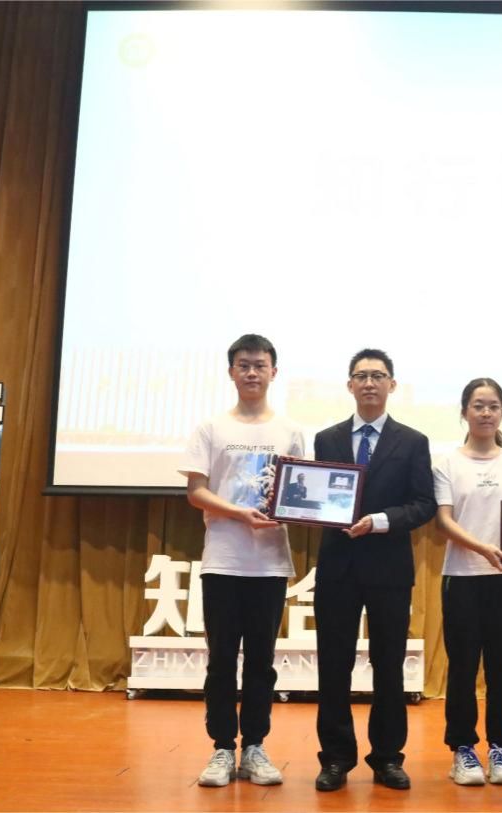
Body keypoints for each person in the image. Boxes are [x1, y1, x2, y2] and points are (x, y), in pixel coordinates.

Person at [179, 334, 305, 788]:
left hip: (269, 563)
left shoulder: (289, 431)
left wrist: (292, 510)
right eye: (244, 365)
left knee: (261, 661)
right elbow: (196, 491)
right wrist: (238, 513)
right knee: (221, 660)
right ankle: (221, 748)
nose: (252, 372)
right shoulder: (211, 428)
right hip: (223, 559)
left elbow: (301, 493)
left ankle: (254, 746)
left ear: (274, 372)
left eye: (260, 365)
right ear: (231, 372)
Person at [312, 349, 438, 792]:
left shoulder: (413, 441)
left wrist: (381, 521)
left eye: (378, 375)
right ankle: (336, 758)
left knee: (389, 666)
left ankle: (387, 758)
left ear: (392, 385)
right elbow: (316, 497)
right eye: (361, 376)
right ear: (350, 384)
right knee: (334, 666)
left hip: (389, 569)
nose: (369, 383)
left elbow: (423, 504)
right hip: (337, 567)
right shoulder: (326, 439)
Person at [432, 378, 502, 786]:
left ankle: (500, 749)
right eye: (478, 405)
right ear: (464, 412)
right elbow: (443, 521)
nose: (486, 413)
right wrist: (482, 548)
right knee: (462, 667)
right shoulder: (446, 463)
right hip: (462, 577)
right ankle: (462, 750)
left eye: (493, 406)